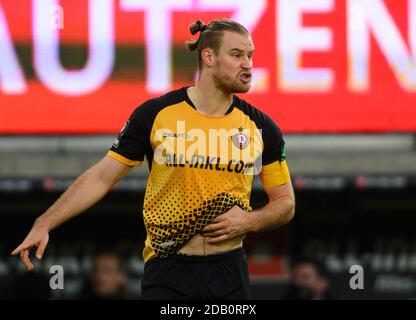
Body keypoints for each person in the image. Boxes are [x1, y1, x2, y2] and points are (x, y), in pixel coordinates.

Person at [11, 18, 295, 300]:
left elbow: (285, 202)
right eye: (236, 55)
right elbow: (101, 177)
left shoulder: (260, 126)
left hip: (229, 270)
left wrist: (250, 222)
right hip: (168, 268)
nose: (247, 64)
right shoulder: (156, 114)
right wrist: (45, 222)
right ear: (208, 57)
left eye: (250, 56)